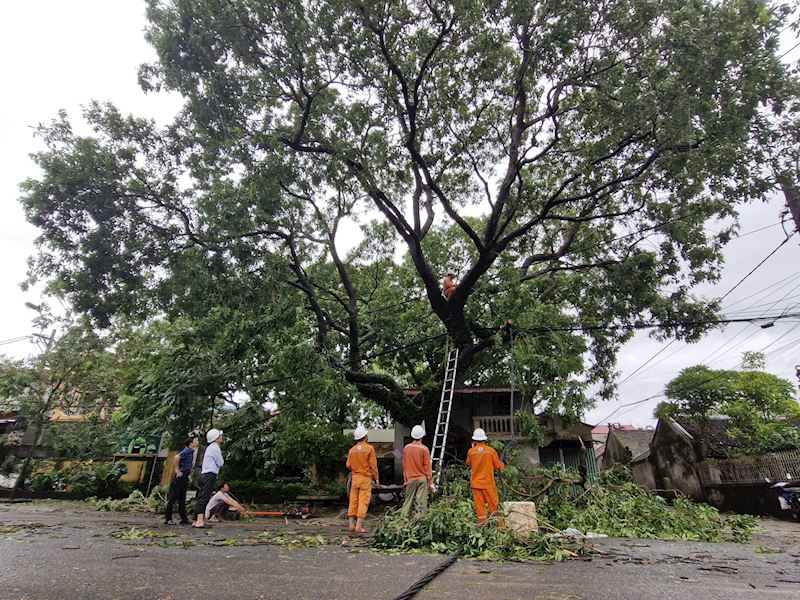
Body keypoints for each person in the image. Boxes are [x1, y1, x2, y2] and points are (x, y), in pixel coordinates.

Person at [466, 427, 504, 524]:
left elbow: (468, 463)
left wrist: (473, 448)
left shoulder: (471, 452)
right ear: (485, 439)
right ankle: (500, 528)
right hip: (488, 484)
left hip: (476, 484)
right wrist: (502, 464)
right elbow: (498, 466)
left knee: (480, 508)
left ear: (474, 440)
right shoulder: (491, 451)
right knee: (494, 506)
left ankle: (482, 527)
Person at [346, 425, 379, 534]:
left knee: (353, 501)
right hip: (365, 478)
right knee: (363, 502)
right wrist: (377, 479)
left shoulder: (351, 450)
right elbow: (373, 465)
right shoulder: (370, 448)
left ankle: (351, 525)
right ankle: (358, 526)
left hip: (355, 478)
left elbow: (348, 465)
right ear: (365, 436)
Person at [400, 424, 435, 518]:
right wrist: (431, 483)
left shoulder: (406, 448)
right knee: (421, 503)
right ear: (422, 436)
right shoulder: (424, 449)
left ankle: (403, 521)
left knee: (408, 502)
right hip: (421, 479)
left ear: (412, 435)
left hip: (410, 479)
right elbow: (427, 467)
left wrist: (405, 479)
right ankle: (419, 521)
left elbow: (404, 465)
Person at [192, 428, 224, 529]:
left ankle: (195, 519)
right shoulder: (215, 447)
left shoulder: (210, 447)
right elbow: (221, 462)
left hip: (204, 474)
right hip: (209, 474)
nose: (221, 437)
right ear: (216, 438)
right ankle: (200, 521)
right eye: (220, 436)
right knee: (204, 497)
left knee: (201, 496)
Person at [164, 435, 199, 525]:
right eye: (195, 440)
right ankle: (168, 518)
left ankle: (184, 518)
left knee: (182, 498)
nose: (197, 441)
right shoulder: (187, 451)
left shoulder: (191, 451)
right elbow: (176, 457)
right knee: (173, 498)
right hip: (180, 476)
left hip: (185, 476)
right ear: (190, 443)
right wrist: (177, 470)